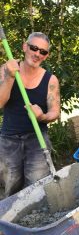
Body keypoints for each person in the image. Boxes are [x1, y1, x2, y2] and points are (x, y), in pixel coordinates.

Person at [0, 32, 60, 196]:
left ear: (46, 56)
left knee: (37, 188)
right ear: (25, 47)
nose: (37, 54)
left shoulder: (50, 80)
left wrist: (42, 117)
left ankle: (35, 221)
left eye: (43, 52)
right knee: (9, 187)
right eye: (34, 48)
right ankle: (10, 220)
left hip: (37, 140)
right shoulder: (6, 70)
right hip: (8, 140)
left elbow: (55, 111)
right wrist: (10, 78)